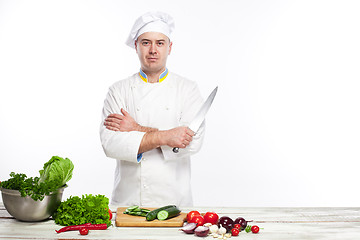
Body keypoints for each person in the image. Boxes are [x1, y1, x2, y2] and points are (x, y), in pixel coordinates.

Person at [100, 11, 205, 207]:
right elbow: (111, 144)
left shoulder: (188, 89)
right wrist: (166, 137)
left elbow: (192, 141)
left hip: (175, 202)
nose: (153, 50)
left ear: (169, 47)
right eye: (146, 42)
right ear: (136, 46)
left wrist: (135, 129)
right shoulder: (118, 90)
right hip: (128, 202)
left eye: (160, 43)